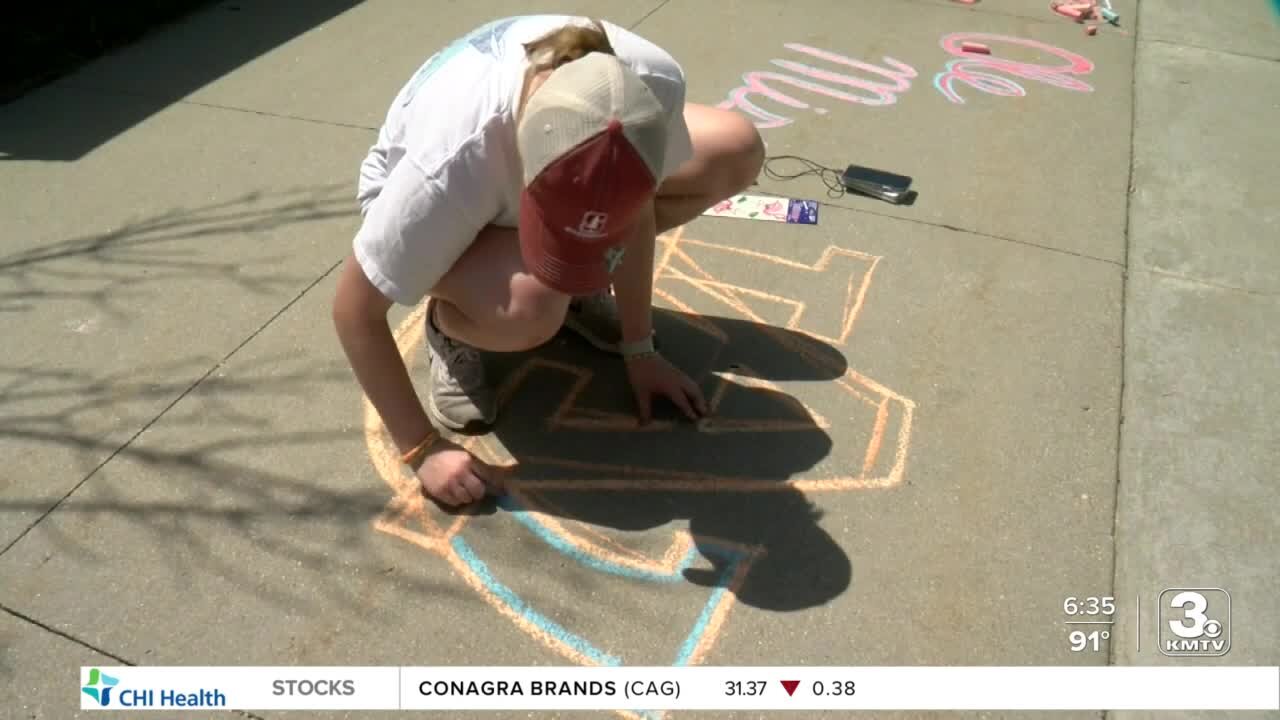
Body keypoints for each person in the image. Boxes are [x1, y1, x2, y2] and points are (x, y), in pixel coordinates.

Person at [332, 15, 764, 508]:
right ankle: (451, 325)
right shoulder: (451, 163)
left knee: (735, 149)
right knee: (531, 308)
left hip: (514, 172)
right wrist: (422, 449)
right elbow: (354, 311)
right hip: (432, 197)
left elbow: (635, 206)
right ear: (526, 177)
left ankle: (563, 275)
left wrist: (639, 347)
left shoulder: (648, 90)